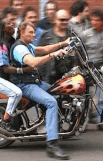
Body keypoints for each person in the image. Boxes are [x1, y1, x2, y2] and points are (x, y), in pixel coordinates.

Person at [9, 21, 70, 160]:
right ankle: (52, 145)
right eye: (30, 32)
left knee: (60, 90)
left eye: (34, 32)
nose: (33, 34)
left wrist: (63, 43)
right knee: (51, 102)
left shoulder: (27, 45)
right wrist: (53, 55)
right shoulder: (19, 48)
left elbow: (44, 49)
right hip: (24, 85)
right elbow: (33, 62)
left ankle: (49, 126)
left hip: (33, 82)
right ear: (22, 32)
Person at [0, 7, 33, 132]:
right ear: (3, 29)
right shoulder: (1, 45)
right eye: (8, 23)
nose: (12, 24)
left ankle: (19, 122)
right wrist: (23, 71)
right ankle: (5, 121)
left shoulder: (11, 40)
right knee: (16, 93)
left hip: (2, 77)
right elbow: (5, 68)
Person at [81, 8, 103, 126]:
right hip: (88, 68)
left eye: (97, 20)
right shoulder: (86, 34)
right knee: (86, 96)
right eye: (92, 20)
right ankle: (84, 121)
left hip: (102, 67)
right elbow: (79, 51)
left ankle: (100, 120)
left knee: (102, 96)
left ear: (102, 21)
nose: (94, 22)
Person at [39, 9, 73, 84]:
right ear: (55, 20)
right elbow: (40, 58)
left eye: (67, 20)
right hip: (50, 78)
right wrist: (43, 78)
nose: (65, 22)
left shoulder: (72, 35)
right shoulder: (46, 36)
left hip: (68, 78)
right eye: (62, 20)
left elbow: (76, 58)